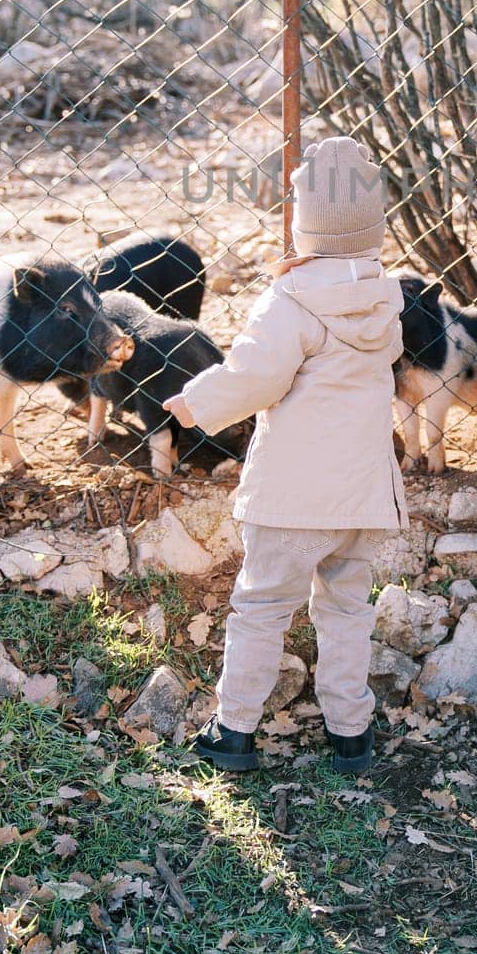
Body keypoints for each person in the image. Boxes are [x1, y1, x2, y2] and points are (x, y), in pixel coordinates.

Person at [164, 135, 407, 776]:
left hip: (295, 500)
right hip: (363, 499)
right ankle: (351, 734)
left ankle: (235, 730)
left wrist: (193, 404)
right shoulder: (386, 298)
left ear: (302, 226)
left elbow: (253, 377)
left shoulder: (289, 301)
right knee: (348, 610)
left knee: (262, 608)